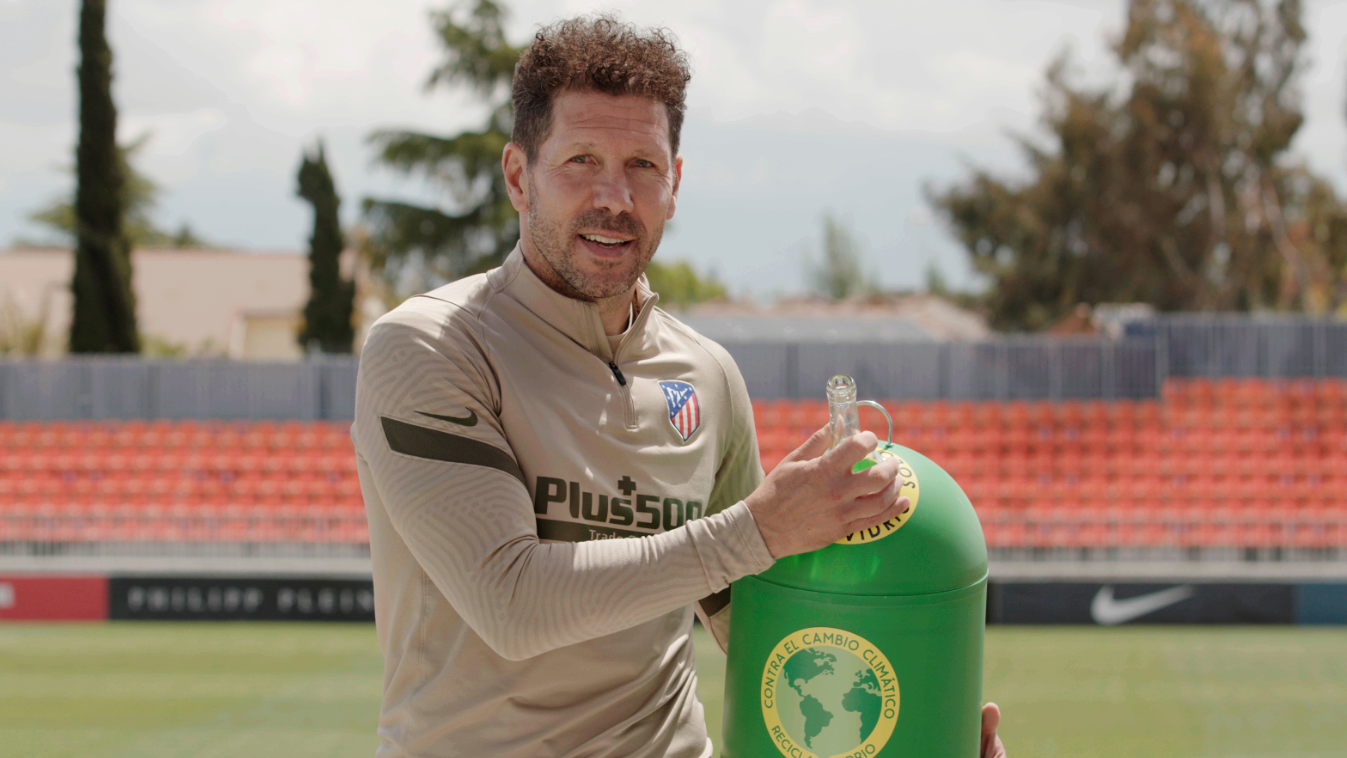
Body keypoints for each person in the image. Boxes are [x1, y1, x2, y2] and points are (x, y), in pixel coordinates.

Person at [352, 13, 1006, 758]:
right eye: (579, 161)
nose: (614, 197)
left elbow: (755, 625)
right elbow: (509, 602)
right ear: (516, 177)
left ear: (675, 182)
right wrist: (757, 530)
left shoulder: (708, 376)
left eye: (642, 166)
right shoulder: (430, 346)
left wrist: (925, 728)